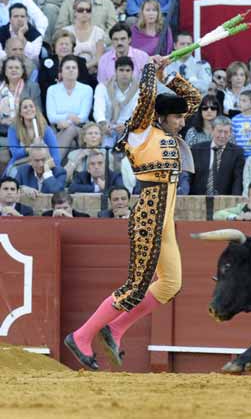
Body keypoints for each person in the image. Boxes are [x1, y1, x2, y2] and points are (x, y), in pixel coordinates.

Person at [64, 55, 201, 371]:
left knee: (170, 283)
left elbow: (191, 98)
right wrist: (151, 69)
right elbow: (145, 100)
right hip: (149, 215)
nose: (183, 121)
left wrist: (168, 73)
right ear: (163, 117)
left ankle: (117, 328)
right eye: (178, 118)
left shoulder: (168, 132)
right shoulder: (140, 130)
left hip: (165, 218)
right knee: (136, 286)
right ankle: (82, 336)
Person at [182, 115, 244, 196]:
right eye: (219, 131)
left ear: (230, 133)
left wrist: (234, 201)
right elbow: (189, 176)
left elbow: (238, 180)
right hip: (197, 199)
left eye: (226, 132)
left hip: (224, 200)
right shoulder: (196, 149)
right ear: (212, 130)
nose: (222, 135)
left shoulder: (237, 152)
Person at [46, 54, 93, 160]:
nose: (71, 70)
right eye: (67, 68)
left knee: (70, 129)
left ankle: (53, 163)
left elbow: (83, 117)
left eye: (74, 68)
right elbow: (51, 117)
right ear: (61, 72)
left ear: (77, 71)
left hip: (81, 129)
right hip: (57, 128)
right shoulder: (52, 90)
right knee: (70, 143)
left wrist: (66, 123)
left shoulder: (87, 89)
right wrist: (69, 116)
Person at [5, 97, 58, 176]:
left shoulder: (45, 129)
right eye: (25, 107)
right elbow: (15, 153)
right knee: (15, 174)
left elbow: (55, 154)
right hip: (21, 164)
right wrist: (31, 148)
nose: (29, 109)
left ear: (35, 109)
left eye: (31, 106)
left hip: (41, 164)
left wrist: (56, 170)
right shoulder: (13, 129)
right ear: (20, 113)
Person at [93, 56, 139, 148]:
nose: (124, 74)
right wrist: (103, 124)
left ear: (132, 73)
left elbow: (138, 112)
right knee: (105, 149)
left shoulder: (139, 90)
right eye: (121, 70)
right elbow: (99, 109)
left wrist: (127, 127)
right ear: (115, 72)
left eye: (127, 70)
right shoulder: (103, 87)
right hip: (108, 127)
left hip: (129, 129)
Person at [37, 30, 92, 105]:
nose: (64, 46)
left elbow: (85, 83)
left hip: (75, 100)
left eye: (67, 44)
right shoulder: (46, 62)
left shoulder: (80, 62)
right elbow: (42, 85)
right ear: (54, 47)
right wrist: (58, 87)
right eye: (61, 44)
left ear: (72, 47)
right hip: (52, 101)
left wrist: (68, 85)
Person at [62, 0, 105, 74]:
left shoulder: (98, 32)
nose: (84, 12)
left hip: (93, 72)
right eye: (81, 10)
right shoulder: (66, 31)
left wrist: (84, 67)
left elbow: (99, 58)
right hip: (70, 71)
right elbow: (64, 56)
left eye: (88, 10)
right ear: (75, 12)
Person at [0, 55, 41, 135]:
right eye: (10, 68)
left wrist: (18, 120)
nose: (13, 70)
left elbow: (38, 111)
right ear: (5, 71)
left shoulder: (32, 87)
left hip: (24, 127)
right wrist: (2, 120)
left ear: (22, 71)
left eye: (17, 67)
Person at [164, 32, 213, 96]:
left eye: (189, 44)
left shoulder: (202, 65)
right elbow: (161, 88)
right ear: (175, 46)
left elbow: (205, 86)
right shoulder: (166, 66)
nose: (186, 47)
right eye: (182, 44)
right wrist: (192, 82)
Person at [231, 90, 251, 157]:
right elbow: (233, 139)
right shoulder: (235, 120)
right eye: (240, 100)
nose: (240, 103)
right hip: (239, 155)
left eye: (244, 101)